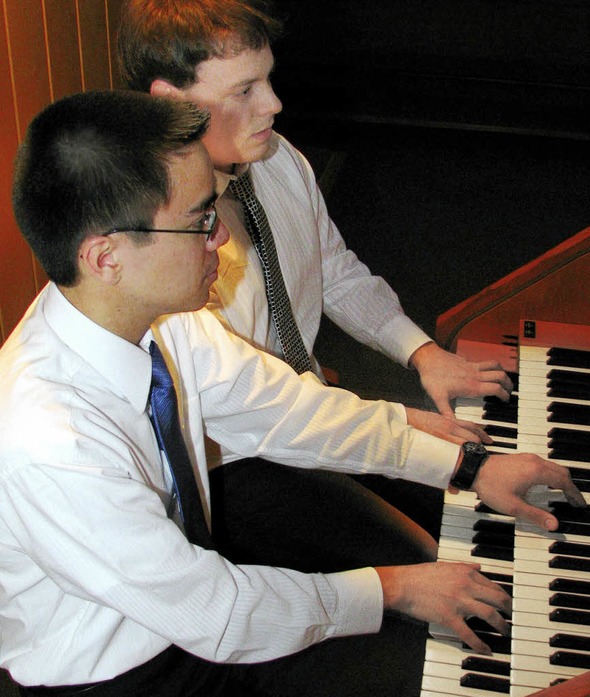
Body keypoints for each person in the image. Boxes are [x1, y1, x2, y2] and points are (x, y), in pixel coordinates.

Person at [1, 90, 584, 697]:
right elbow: (218, 613)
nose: (223, 240)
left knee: (452, 613)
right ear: (106, 257)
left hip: (190, 602)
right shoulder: (49, 443)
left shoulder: (160, 316)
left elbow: (287, 411)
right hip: (127, 673)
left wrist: (466, 465)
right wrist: (396, 588)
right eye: (202, 219)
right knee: (429, 657)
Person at [116, 0, 514, 559]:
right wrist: (406, 430)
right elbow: (257, 406)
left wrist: (423, 353)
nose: (274, 104)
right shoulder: (159, 238)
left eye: (269, 80)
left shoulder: (278, 160)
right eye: (245, 90)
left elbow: (334, 270)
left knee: (474, 508)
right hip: (235, 462)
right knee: (430, 554)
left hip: (312, 405)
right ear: (171, 102)